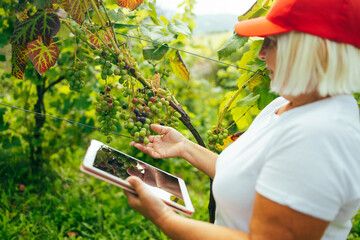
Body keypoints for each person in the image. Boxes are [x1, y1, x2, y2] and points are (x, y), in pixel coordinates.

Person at [124, 0, 360, 239]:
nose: (261, 52)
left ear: (312, 52)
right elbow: (246, 176)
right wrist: (184, 147)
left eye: (273, 42)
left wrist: (163, 218)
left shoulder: (320, 136)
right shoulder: (285, 105)